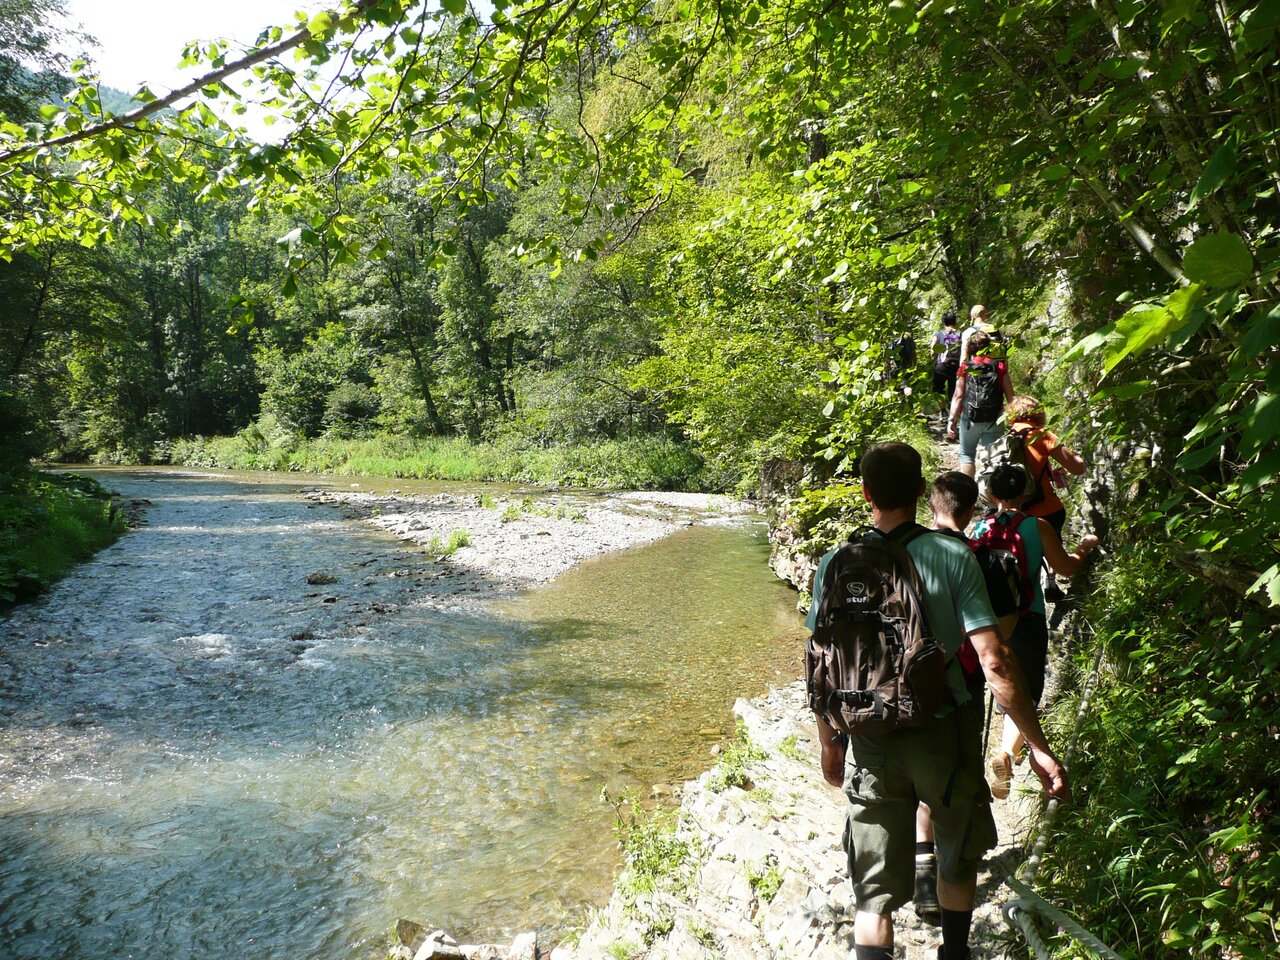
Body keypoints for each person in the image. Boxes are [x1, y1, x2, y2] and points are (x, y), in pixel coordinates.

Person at [808, 442, 1069, 960]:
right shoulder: (953, 555)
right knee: (958, 856)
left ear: (866, 494)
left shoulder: (836, 562)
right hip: (944, 732)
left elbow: (820, 661)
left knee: (873, 893)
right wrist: (1036, 746)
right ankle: (953, 952)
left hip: (870, 736)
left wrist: (830, 743)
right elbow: (994, 661)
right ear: (923, 493)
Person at [907, 470, 1021, 928]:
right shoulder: (984, 560)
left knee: (920, 779)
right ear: (973, 509)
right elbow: (1001, 637)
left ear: (931, 505)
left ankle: (921, 869)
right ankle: (952, 873)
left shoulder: (905, 553)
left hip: (904, 685)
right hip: (962, 689)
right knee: (952, 780)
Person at [974, 462, 1098, 800]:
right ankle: (1005, 753)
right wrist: (1085, 546)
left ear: (993, 494)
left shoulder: (978, 529)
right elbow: (1066, 567)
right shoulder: (1036, 526)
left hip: (985, 622)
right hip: (1027, 616)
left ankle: (1004, 754)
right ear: (1026, 492)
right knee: (1025, 690)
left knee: (1001, 683)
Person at [1003, 395, 1086, 537]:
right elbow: (1078, 468)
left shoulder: (1005, 438)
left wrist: (1048, 473)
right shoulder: (1041, 435)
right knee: (1055, 557)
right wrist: (1076, 454)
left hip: (1015, 515)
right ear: (1038, 413)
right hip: (1046, 511)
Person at [946, 331, 1014, 477]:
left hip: (970, 419)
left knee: (967, 455)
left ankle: (969, 494)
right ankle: (994, 495)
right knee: (995, 457)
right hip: (994, 419)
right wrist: (1015, 420)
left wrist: (951, 420)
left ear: (970, 348)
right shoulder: (999, 367)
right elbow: (1011, 397)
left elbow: (958, 396)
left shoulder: (966, 367)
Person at [930, 311, 962, 412]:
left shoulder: (939, 334)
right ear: (955, 321)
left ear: (943, 322)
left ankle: (943, 410)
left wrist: (934, 358)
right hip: (957, 366)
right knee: (955, 391)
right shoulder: (961, 334)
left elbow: (932, 351)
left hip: (942, 366)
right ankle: (954, 413)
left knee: (938, 389)